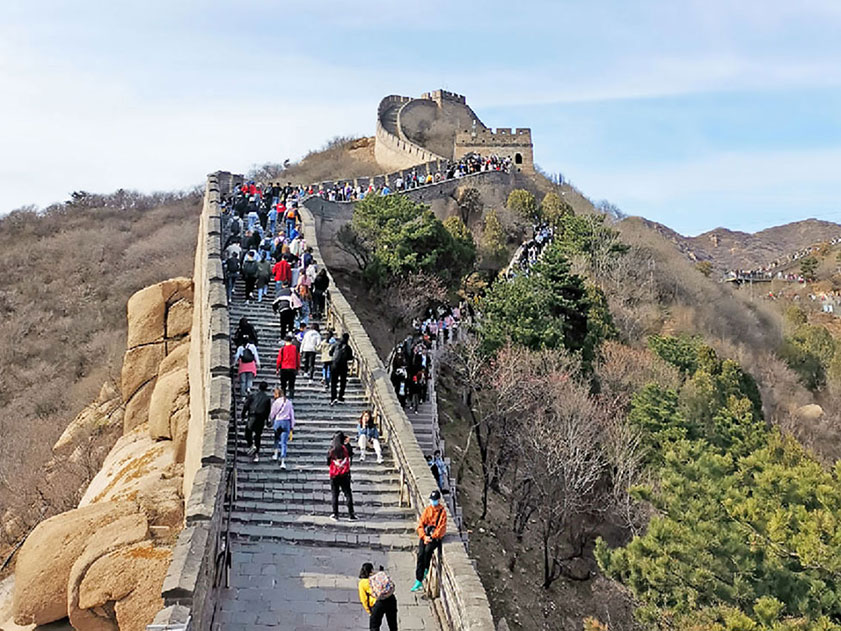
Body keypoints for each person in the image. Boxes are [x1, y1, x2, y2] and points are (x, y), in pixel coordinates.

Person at [411, 490, 447, 592]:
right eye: (432, 500)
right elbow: (421, 524)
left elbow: (441, 528)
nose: (433, 502)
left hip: (435, 537)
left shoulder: (442, 512)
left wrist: (433, 536)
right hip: (426, 535)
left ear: (438, 500)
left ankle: (426, 569)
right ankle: (418, 579)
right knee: (420, 554)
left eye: (435, 500)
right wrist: (424, 536)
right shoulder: (428, 510)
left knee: (428, 551)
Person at [327, 431, 356, 520]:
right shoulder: (346, 448)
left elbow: (328, 462)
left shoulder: (331, 450)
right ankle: (351, 514)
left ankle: (335, 514)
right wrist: (348, 443)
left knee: (335, 494)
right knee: (348, 493)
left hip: (334, 475)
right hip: (345, 474)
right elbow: (351, 454)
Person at [359, 564, 398, 631]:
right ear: (372, 570)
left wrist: (370, 611)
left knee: (374, 627)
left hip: (378, 604)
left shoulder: (362, 583)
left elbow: (364, 600)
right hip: (390, 599)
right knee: (393, 625)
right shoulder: (378, 576)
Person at [242, 381, 271, 462]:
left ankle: (251, 445)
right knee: (258, 436)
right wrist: (267, 420)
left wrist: (243, 415)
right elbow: (267, 411)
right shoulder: (267, 399)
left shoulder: (253, 396)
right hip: (260, 418)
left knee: (248, 433)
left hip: (252, 416)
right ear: (266, 389)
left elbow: (246, 405)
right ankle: (256, 454)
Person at [269, 388, 295, 469]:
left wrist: (270, 419)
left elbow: (272, 413)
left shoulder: (276, 402)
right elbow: (292, 414)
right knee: (284, 443)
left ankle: (275, 454)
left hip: (278, 421)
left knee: (276, 439)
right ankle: (283, 461)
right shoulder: (289, 402)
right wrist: (292, 425)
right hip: (286, 422)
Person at [330, 333, 354, 405]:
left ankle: (333, 397)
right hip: (343, 366)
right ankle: (340, 396)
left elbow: (330, 353)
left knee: (333, 382)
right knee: (343, 382)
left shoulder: (335, 345)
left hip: (334, 365)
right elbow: (350, 357)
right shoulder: (348, 347)